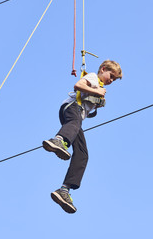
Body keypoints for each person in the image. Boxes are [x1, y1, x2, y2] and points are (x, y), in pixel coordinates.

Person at [42, 60, 123, 213]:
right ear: (103, 69)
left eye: (114, 79)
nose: (111, 80)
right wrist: (97, 92)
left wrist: (97, 101)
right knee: (75, 122)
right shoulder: (93, 77)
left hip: (76, 119)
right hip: (72, 109)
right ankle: (58, 141)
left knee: (82, 154)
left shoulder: (100, 86)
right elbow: (78, 85)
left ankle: (64, 190)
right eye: (111, 76)